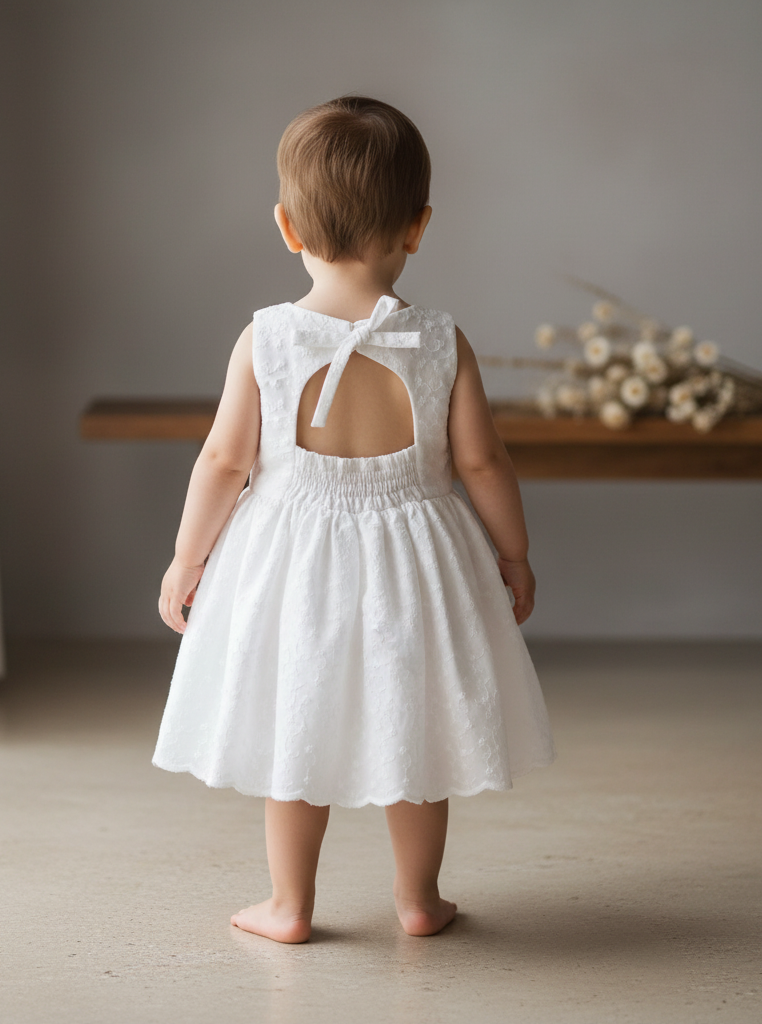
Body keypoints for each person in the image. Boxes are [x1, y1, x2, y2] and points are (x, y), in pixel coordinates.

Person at [154, 96, 554, 944]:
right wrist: (513, 555)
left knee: (295, 730)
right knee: (416, 730)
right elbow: (483, 461)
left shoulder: (264, 338)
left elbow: (223, 463)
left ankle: (289, 906)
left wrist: (186, 561)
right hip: (417, 561)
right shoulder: (441, 340)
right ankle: (419, 899)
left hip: (291, 563)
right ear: (419, 225)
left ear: (287, 226)